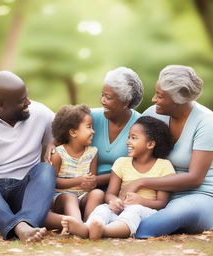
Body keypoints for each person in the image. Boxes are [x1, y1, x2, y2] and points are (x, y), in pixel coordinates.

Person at [0, 71, 63, 242]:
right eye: (22, 100)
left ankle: (27, 222)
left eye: (26, 96)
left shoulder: (39, 113)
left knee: (45, 169)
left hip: (25, 197)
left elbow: (72, 128)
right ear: (0, 104)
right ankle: (18, 226)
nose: (28, 102)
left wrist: (54, 141)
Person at [120, 65, 213, 238]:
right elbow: (134, 150)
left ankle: (120, 229)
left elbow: (195, 178)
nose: (154, 99)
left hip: (199, 195)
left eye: (160, 96)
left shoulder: (206, 122)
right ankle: (109, 226)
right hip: (157, 195)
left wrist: (142, 182)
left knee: (172, 215)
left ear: (178, 99)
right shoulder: (154, 115)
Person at [61, 116, 175, 239]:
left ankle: (103, 231)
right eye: (128, 137)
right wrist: (114, 201)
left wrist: (141, 201)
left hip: (145, 211)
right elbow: (110, 193)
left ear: (150, 144)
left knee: (134, 210)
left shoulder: (164, 166)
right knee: (102, 209)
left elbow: (162, 203)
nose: (128, 142)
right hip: (120, 208)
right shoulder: (121, 163)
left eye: (134, 138)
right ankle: (86, 228)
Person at [45, 67, 144, 190]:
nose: (102, 101)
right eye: (102, 95)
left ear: (125, 101)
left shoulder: (141, 125)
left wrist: (96, 180)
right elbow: (68, 130)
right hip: (82, 186)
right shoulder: (90, 117)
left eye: (108, 97)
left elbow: (136, 167)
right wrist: (52, 144)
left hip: (119, 187)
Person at [51, 104, 104, 223]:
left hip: (82, 197)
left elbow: (92, 181)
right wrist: (79, 180)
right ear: (73, 132)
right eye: (89, 127)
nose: (93, 131)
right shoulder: (58, 154)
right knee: (70, 198)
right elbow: (53, 182)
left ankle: (88, 223)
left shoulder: (92, 153)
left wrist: (90, 183)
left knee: (98, 193)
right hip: (62, 198)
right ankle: (77, 223)